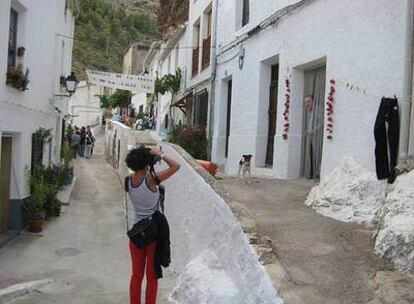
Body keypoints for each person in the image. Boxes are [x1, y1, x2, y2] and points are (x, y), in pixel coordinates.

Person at [125, 146, 180, 304]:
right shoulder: (151, 180)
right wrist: (160, 154)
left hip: (136, 233)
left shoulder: (128, 181)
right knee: (152, 277)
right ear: (146, 164)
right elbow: (176, 166)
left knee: (136, 276)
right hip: (152, 234)